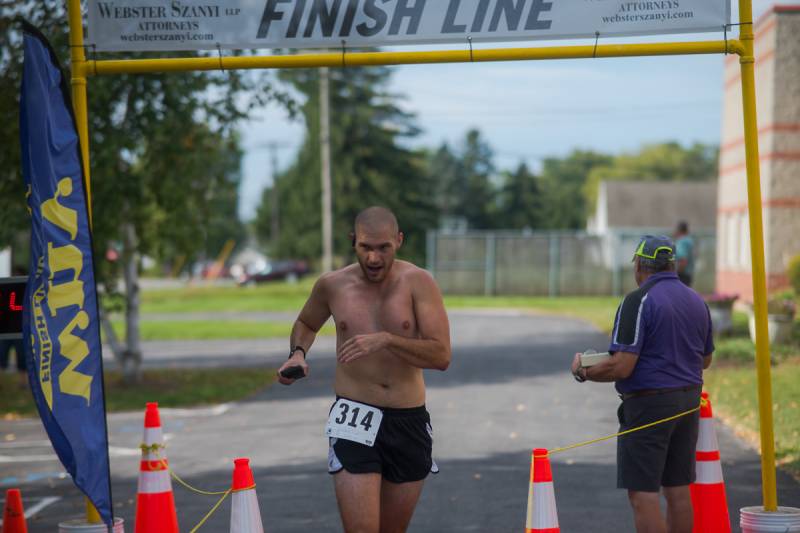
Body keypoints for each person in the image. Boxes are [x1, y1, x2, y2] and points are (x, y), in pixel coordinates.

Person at [277, 206, 451, 533]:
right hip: (353, 415)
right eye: (365, 247)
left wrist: (387, 340)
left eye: (383, 247)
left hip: (407, 420)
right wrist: (298, 352)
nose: (373, 258)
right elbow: (306, 322)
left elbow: (441, 355)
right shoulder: (332, 285)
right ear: (353, 241)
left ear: (398, 241)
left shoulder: (419, 282)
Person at [570, 235, 714, 533]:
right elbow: (705, 360)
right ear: (672, 265)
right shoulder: (696, 300)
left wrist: (584, 370)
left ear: (639, 265)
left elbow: (622, 365)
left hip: (649, 406)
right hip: (688, 404)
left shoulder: (637, 301)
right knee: (677, 489)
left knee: (643, 494)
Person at [673, 221, 695, 287]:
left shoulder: (682, 242)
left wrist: (675, 273)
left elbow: (683, 260)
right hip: (688, 274)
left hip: (682, 275)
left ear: (679, 230)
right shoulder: (690, 241)